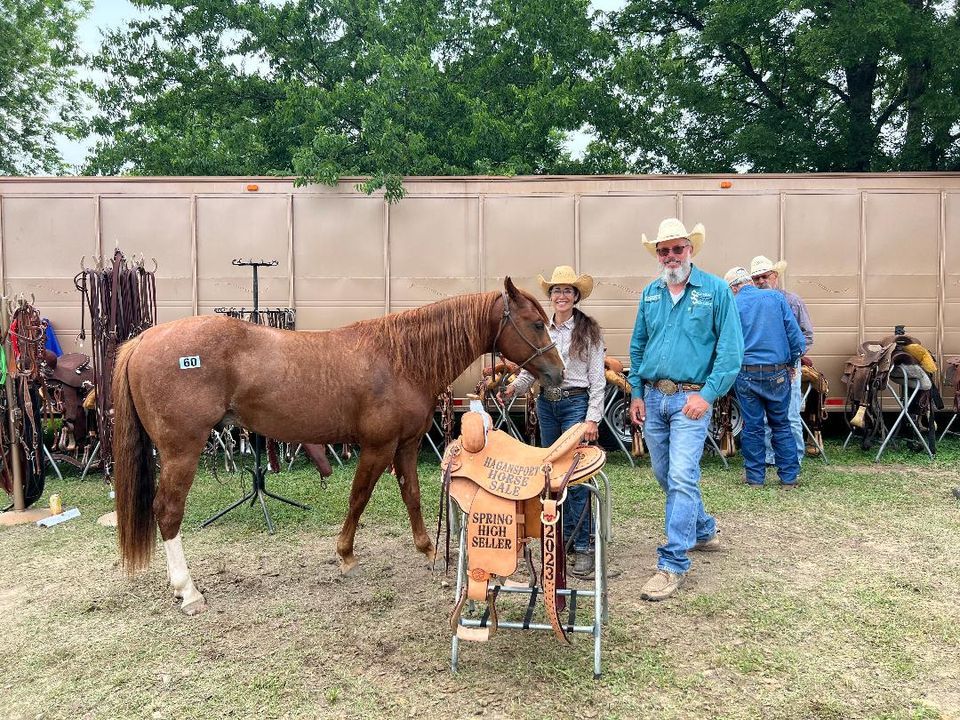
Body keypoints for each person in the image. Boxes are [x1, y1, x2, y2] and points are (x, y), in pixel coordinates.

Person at [628, 219, 744, 601]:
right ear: (658, 255)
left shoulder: (715, 291)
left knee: (680, 475)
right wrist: (636, 393)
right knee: (665, 474)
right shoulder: (650, 293)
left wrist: (708, 395)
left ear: (690, 249)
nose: (671, 256)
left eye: (677, 248)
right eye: (664, 250)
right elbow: (638, 346)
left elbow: (730, 351)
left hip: (690, 400)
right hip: (654, 397)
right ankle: (704, 529)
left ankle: (672, 563)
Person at [502, 265, 606, 578]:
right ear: (551, 297)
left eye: (567, 290)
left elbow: (597, 378)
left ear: (575, 297)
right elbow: (530, 369)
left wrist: (592, 418)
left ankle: (583, 544)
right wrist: (514, 388)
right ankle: (560, 537)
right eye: (556, 290)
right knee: (552, 475)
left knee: (575, 474)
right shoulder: (541, 328)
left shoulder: (587, 331)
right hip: (548, 403)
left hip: (575, 402)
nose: (561, 295)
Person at [733, 275, 805, 487]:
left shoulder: (733, 303)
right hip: (777, 372)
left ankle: (755, 478)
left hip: (746, 372)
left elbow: (725, 341)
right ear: (749, 282)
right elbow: (797, 338)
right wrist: (792, 363)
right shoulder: (776, 297)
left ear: (734, 288)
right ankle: (789, 478)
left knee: (752, 426)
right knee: (781, 424)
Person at [749, 256, 814, 465]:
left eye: (764, 276)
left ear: (774, 276)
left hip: (788, 366)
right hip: (765, 366)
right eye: (756, 278)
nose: (761, 281)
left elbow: (807, 335)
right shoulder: (753, 304)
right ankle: (770, 457)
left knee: (790, 413)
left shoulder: (792, 301)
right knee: (768, 415)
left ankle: (794, 457)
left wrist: (792, 358)